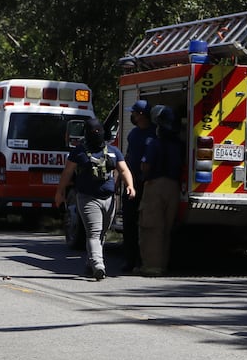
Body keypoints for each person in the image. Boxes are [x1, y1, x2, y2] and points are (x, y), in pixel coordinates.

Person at [54, 118, 134, 280]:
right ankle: (99, 265)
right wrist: (60, 192)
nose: (96, 134)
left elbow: (124, 170)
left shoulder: (113, 151)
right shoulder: (79, 152)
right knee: (94, 232)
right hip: (87, 198)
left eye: (98, 131)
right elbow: (67, 173)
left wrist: (130, 186)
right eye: (93, 132)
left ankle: (90, 263)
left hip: (109, 199)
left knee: (102, 234)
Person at [137, 105, 183, 276]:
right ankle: (162, 264)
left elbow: (146, 166)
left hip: (155, 186)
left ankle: (151, 267)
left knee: (152, 229)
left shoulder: (154, 143)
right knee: (166, 230)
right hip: (174, 188)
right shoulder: (179, 145)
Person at [121, 100, 154, 273]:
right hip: (130, 184)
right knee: (129, 223)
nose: (132, 116)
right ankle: (129, 259)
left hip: (146, 185)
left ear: (141, 115)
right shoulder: (133, 134)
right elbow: (127, 156)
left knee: (145, 225)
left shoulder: (153, 134)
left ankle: (143, 260)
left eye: (133, 113)